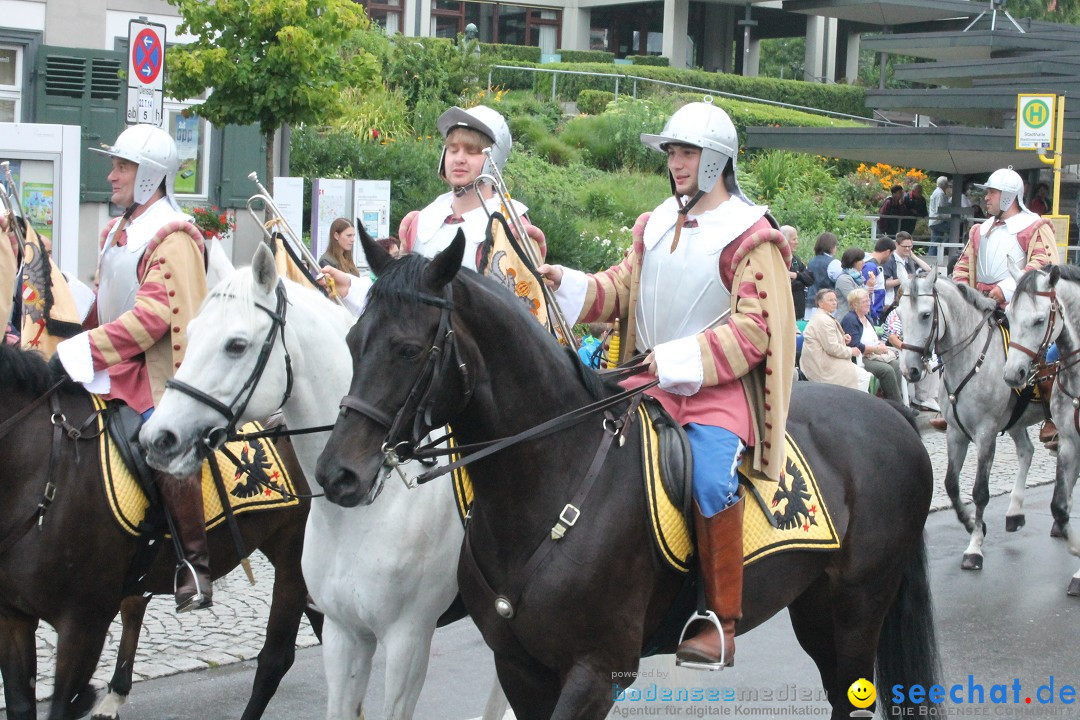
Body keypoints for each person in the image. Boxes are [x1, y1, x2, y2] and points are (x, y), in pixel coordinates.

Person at [537, 99, 794, 669]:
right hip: (648, 382)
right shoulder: (654, 223)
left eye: (687, 152)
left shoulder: (751, 235)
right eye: (672, 152)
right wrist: (567, 283)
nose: (676, 163)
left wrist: (675, 359)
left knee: (708, 481)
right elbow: (622, 290)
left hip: (716, 392)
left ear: (716, 160)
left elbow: (755, 332)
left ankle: (719, 621)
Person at [52, 124, 212, 612]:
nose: (112, 174)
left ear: (148, 176)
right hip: (117, 365)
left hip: (159, 374)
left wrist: (86, 351)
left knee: (163, 442)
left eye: (122, 166)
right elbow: (108, 304)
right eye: (116, 165)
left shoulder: (173, 234)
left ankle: (195, 564)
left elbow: (152, 319)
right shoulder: (122, 229)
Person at [952, 167, 1059, 445]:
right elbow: (963, 267)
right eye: (986, 192)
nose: (985, 197)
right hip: (980, 304)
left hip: (1018, 306)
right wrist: (963, 293)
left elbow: (1043, 264)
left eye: (991, 192)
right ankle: (951, 406)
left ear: (1009, 196)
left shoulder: (1034, 226)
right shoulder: (980, 229)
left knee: (1037, 352)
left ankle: (1050, 413)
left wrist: (1006, 289)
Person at [840, 288, 903, 403]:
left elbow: (873, 338)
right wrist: (876, 349)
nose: (868, 303)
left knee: (897, 365)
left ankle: (896, 400)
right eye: (864, 301)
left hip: (874, 354)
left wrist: (880, 344)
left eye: (868, 300)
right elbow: (855, 345)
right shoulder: (850, 319)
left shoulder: (867, 317)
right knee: (887, 370)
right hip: (860, 358)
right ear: (855, 305)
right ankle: (898, 405)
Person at [800, 289, 868, 391]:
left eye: (835, 300)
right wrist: (851, 351)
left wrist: (842, 338)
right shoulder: (823, 320)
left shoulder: (823, 317)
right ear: (820, 303)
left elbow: (826, 341)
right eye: (830, 300)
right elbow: (832, 348)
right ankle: (854, 405)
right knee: (863, 377)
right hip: (821, 366)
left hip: (823, 361)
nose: (834, 302)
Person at [883, 307, 940, 413]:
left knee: (934, 357)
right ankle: (922, 397)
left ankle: (931, 397)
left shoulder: (917, 314)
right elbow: (892, 339)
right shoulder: (897, 314)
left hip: (912, 347)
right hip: (895, 350)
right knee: (921, 358)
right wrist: (909, 349)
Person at [781, 225, 813, 321]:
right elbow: (785, 284)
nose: (797, 242)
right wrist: (801, 280)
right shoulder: (777, 259)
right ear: (785, 241)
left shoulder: (796, 259)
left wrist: (795, 275)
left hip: (799, 311)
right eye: (794, 239)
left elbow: (810, 278)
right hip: (785, 311)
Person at [805, 232, 838, 320]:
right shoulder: (834, 263)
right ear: (831, 247)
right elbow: (840, 281)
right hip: (827, 306)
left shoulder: (811, 261)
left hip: (811, 304)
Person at [862, 237, 895, 323]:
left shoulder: (874, 265)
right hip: (871, 314)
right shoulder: (871, 266)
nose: (890, 258)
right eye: (891, 255)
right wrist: (873, 313)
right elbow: (864, 291)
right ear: (887, 252)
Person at [832, 247, 867, 319]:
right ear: (853, 262)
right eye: (861, 260)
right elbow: (854, 300)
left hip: (858, 317)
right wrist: (869, 287)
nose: (863, 262)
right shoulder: (843, 279)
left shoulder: (858, 278)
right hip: (846, 319)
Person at [929, 176, 949, 245]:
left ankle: (932, 254)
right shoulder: (940, 194)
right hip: (938, 221)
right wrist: (950, 217)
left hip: (934, 221)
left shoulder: (936, 192)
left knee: (935, 241)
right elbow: (940, 210)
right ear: (945, 185)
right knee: (954, 230)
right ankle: (946, 247)